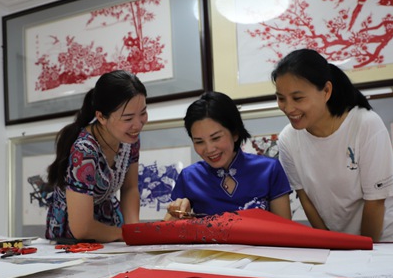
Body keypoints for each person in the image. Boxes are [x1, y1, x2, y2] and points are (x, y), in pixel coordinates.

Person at [271, 48, 393, 242]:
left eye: (297, 98)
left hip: (387, 237)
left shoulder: (365, 124)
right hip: (343, 243)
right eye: (281, 98)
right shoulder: (287, 140)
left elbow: (375, 202)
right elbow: (306, 199)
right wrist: (330, 244)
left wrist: (361, 250)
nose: (288, 108)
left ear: (326, 91)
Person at [44, 70, 147, 242]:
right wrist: (127, 234)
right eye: (128, 118)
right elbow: (82, 228)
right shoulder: (85, 150)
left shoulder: (130, 140)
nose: (138, 125)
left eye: (143, 113)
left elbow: (130, 188)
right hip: (74, 235)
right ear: (101, 117)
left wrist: (135, 232)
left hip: (108, 225)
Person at [165, 91, 292, 220]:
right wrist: (179, 215)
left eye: (216, 138)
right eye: (199, 142)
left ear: (235, 133)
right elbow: (165, 228)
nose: (209, 149)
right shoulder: (189, 177)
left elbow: (285, 228)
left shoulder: (269, 169)